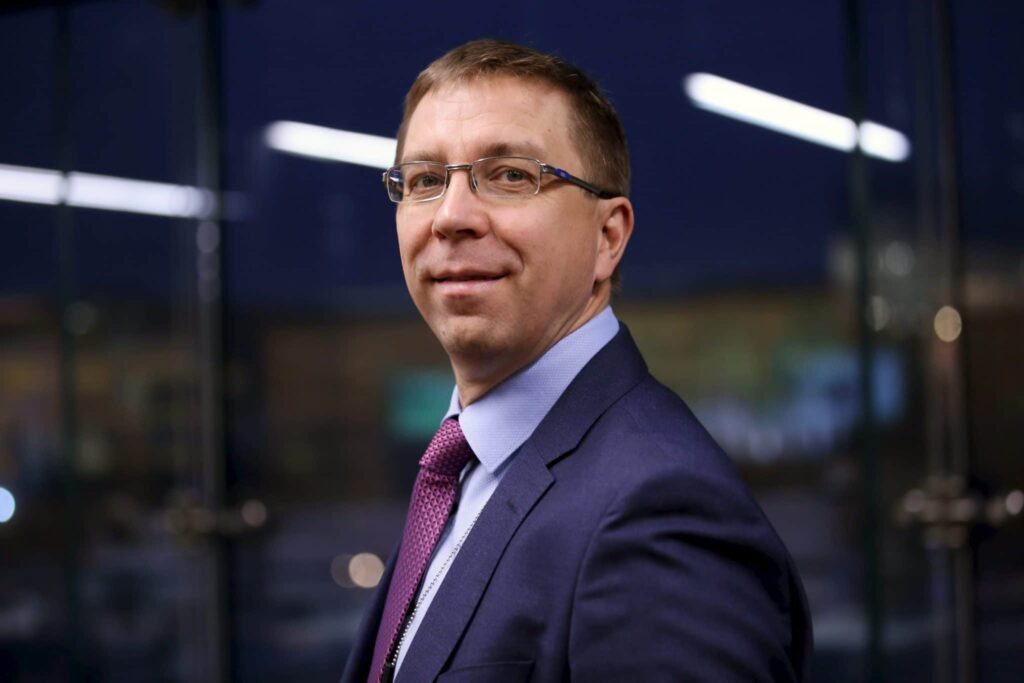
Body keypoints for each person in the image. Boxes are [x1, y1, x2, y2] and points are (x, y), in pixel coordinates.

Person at [341, 39, 812, 683]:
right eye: (425, 181)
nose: (450, 217)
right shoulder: (461, 474)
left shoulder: (658, 512)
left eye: (511, 176)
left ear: (607, 237)